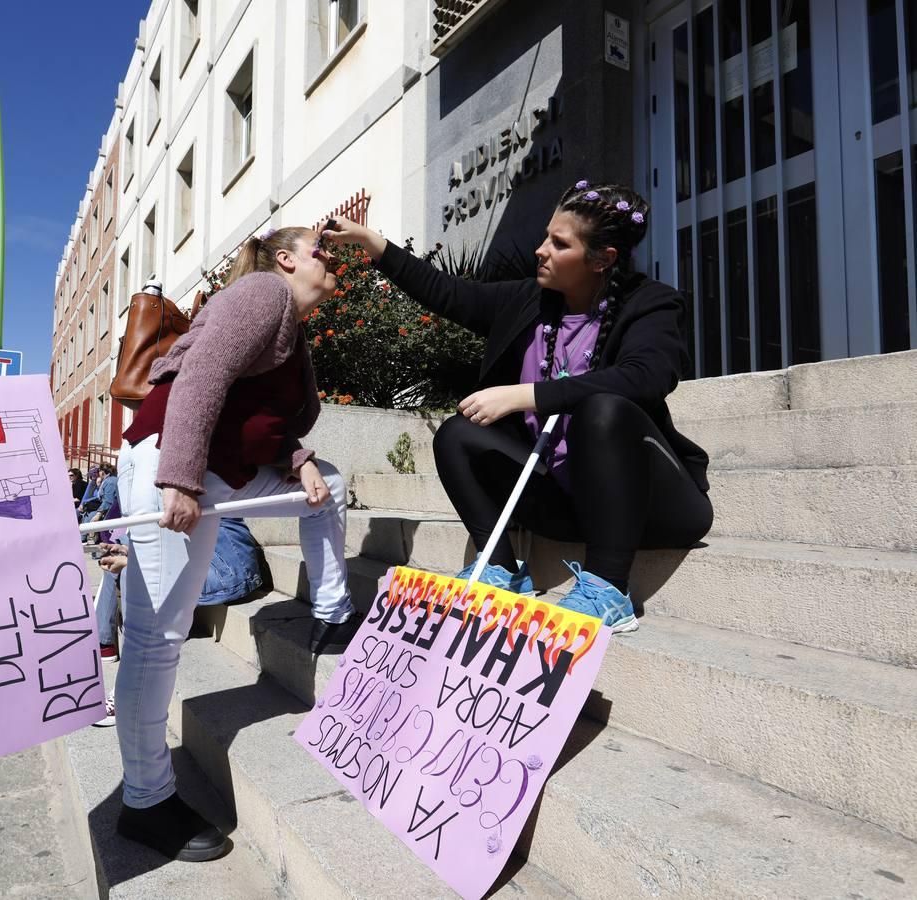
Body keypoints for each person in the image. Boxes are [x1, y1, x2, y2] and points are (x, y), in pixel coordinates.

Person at [323, 182, 713, 631]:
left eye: (559, 243)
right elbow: (449, 293)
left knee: (605, 408)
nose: (540, 250)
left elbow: (645, 377)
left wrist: (523, 395)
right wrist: (372, 243)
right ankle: (500, 570)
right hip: (565, 503)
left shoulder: (652, 303)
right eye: (547, 236)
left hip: (654, 507)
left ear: (603, 258)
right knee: (458, 432)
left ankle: (608, 588)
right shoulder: (531, 300)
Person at [113, 225, 355, 862]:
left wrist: (298, 458)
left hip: (218, 471)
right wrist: (179, 477)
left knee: (329, 483)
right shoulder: (260, 294)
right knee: (156, 635)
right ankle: (144, 800)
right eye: (320, 251)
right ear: (285, 260)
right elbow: (201, 376)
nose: (331, 260)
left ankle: (333, 612)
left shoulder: (289, 325)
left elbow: (255, 412)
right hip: (175, 464)